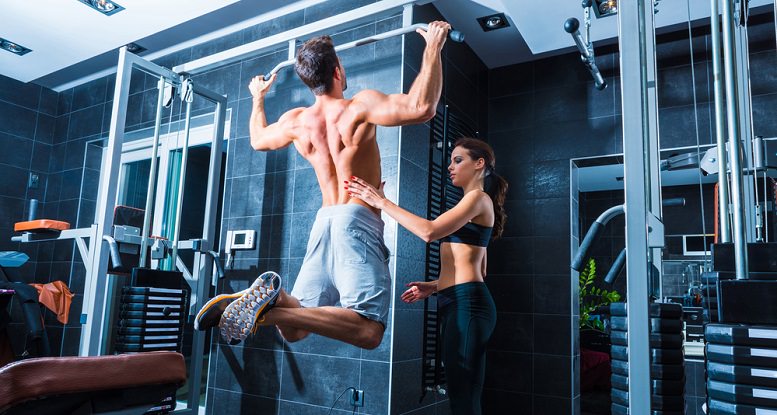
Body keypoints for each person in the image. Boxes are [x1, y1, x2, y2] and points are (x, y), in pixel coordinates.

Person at [194, 21, 453, 350]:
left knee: (296, 329)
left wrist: (258, 98)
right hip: (357, 219)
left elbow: (258, 139)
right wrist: (433, 46)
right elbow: (421, 107)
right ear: (337, 71)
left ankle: (270, 304)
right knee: (369, 329)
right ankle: (267, 313)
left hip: (325, 220)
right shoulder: (357, 107)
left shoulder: (296, 121)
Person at [346, 137, 508, 415]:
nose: (450, 166)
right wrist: (435, 286)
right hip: (459, 302)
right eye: (451, 160)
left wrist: (381, 201)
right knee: (463, 392)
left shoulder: (478, 199)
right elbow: (480, 268)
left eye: (458, 160)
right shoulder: (474, 203)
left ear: (479, 164)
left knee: (463, 397)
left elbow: (429, 231)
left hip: (467, 305)